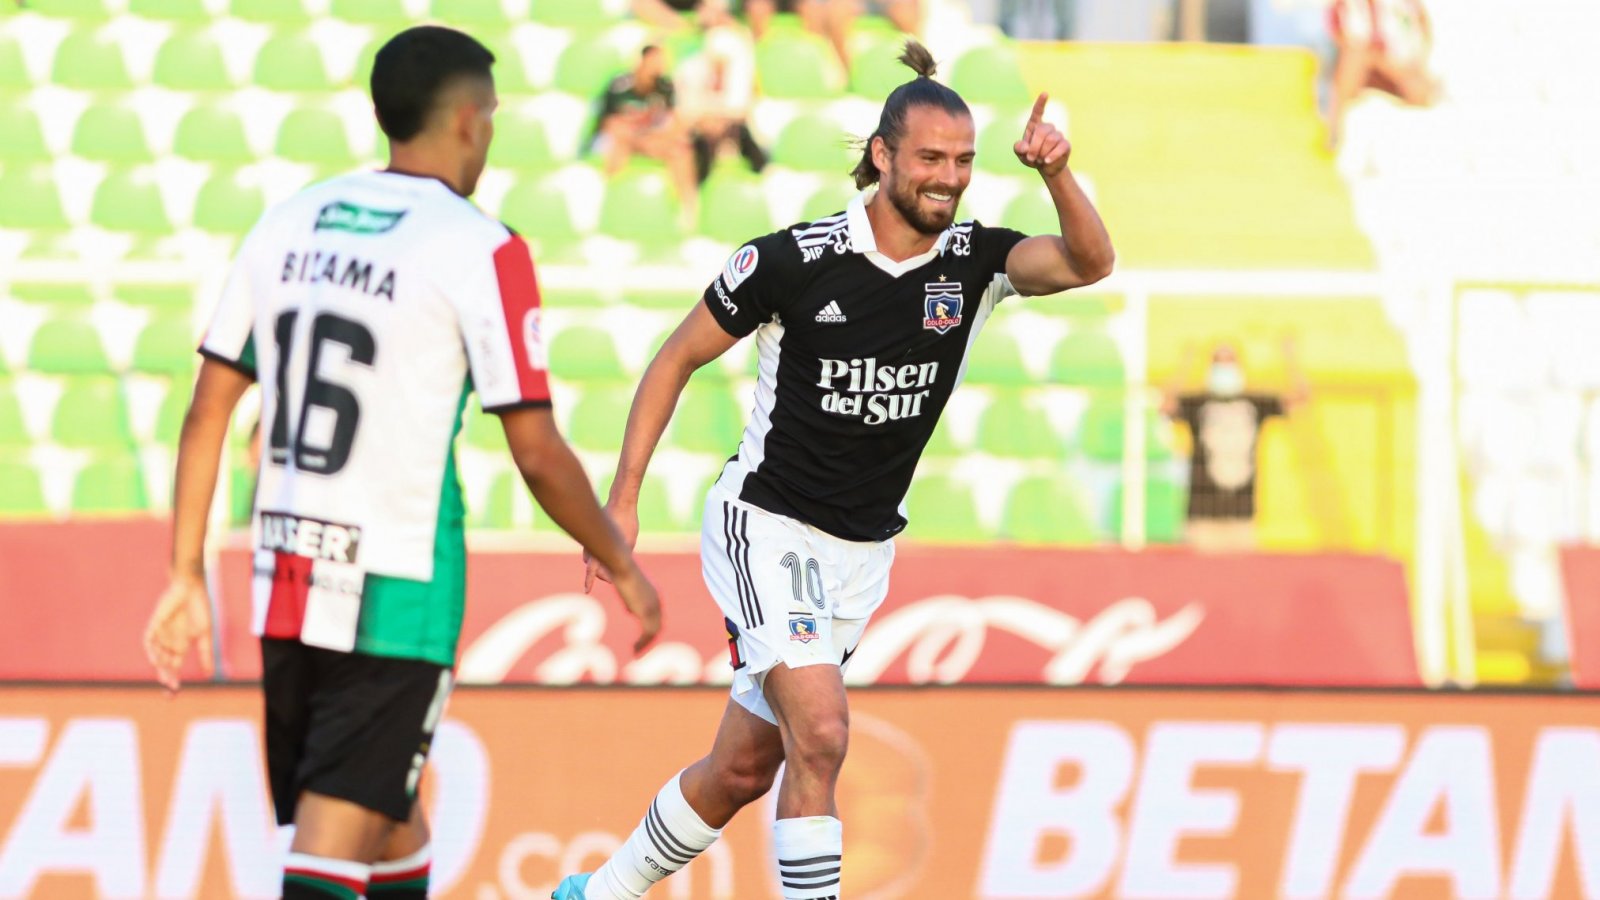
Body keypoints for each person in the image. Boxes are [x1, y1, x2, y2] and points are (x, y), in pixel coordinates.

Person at [556, 39, 1112, 900]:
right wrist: (622, 500)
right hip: (766, 522)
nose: (949, 178)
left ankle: (598, 894)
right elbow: (674, 358)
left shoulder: (973, 264)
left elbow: (1088, 262)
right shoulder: (793, 261)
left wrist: (1057, 174)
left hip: (860, 554)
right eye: (930, 158)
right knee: (821, 733)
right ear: (882, 156)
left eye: (964, 161)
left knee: (744, 769)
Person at [141, 26, 661, 900]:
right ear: (465, 121)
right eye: (490, 116)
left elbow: (207, 412)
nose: (489, 133)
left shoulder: (288, 220)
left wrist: (187, 573)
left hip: (288, 572)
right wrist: (623, 562)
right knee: (336, 829)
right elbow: (535, 450)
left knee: (387, 814)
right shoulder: (481, 246)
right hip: (396, 587)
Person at [1162, 339, 1310, 552]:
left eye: (1229, 361)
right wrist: (1185, 365)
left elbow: (1301, 398)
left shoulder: (1254, 403)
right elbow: (1165, 404)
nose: (1224, 368)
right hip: (1202, 515)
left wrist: (1290, 359)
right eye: (1218, 362)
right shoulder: (1198, 403)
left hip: (1242, 515)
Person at [592, 45, 700, 225]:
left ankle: (688, 211)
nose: (657, 69)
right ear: (642, 63)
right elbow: (609, 124)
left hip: (651, 141)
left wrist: (652, 138)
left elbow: (676, 124)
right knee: (619, 143)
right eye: (653, 63)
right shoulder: (619, 85)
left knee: (681, 151)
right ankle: (600, 207)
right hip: (622, 140)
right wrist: (637, 134)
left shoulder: (665, 87)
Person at [676, 0, 769, 184]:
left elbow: (741, 103)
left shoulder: (737, 51)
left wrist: (723, 119)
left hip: (730, 121)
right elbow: (685, 108)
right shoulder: (690, 64)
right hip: (701, 124)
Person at [1325, 0, 1438, 148]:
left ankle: (1418, 136)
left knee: (1419, 90)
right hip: (1361, 61)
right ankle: (1334, 133)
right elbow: (1336, 34)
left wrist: (1413, 60)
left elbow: (1423, 28)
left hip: (1398, 62)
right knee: (1353, 60)